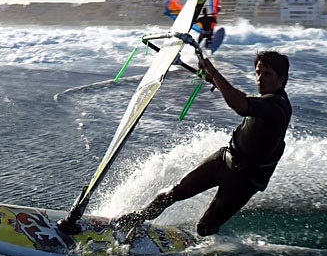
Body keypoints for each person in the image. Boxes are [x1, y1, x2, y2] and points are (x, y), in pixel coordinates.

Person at [115, 50, 292, 238]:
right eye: (258, 72)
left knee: (205, 228)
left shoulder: (278, 106)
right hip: (225, 159)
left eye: (267, 74)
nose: (260, 78)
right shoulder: (266, 100)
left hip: (244, 180)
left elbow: (241, 106)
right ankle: (137, 219)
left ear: (281, 79)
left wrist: (215, 73)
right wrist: (214, 80)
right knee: (175, 192)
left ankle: (209, 249)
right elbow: (244, 98)